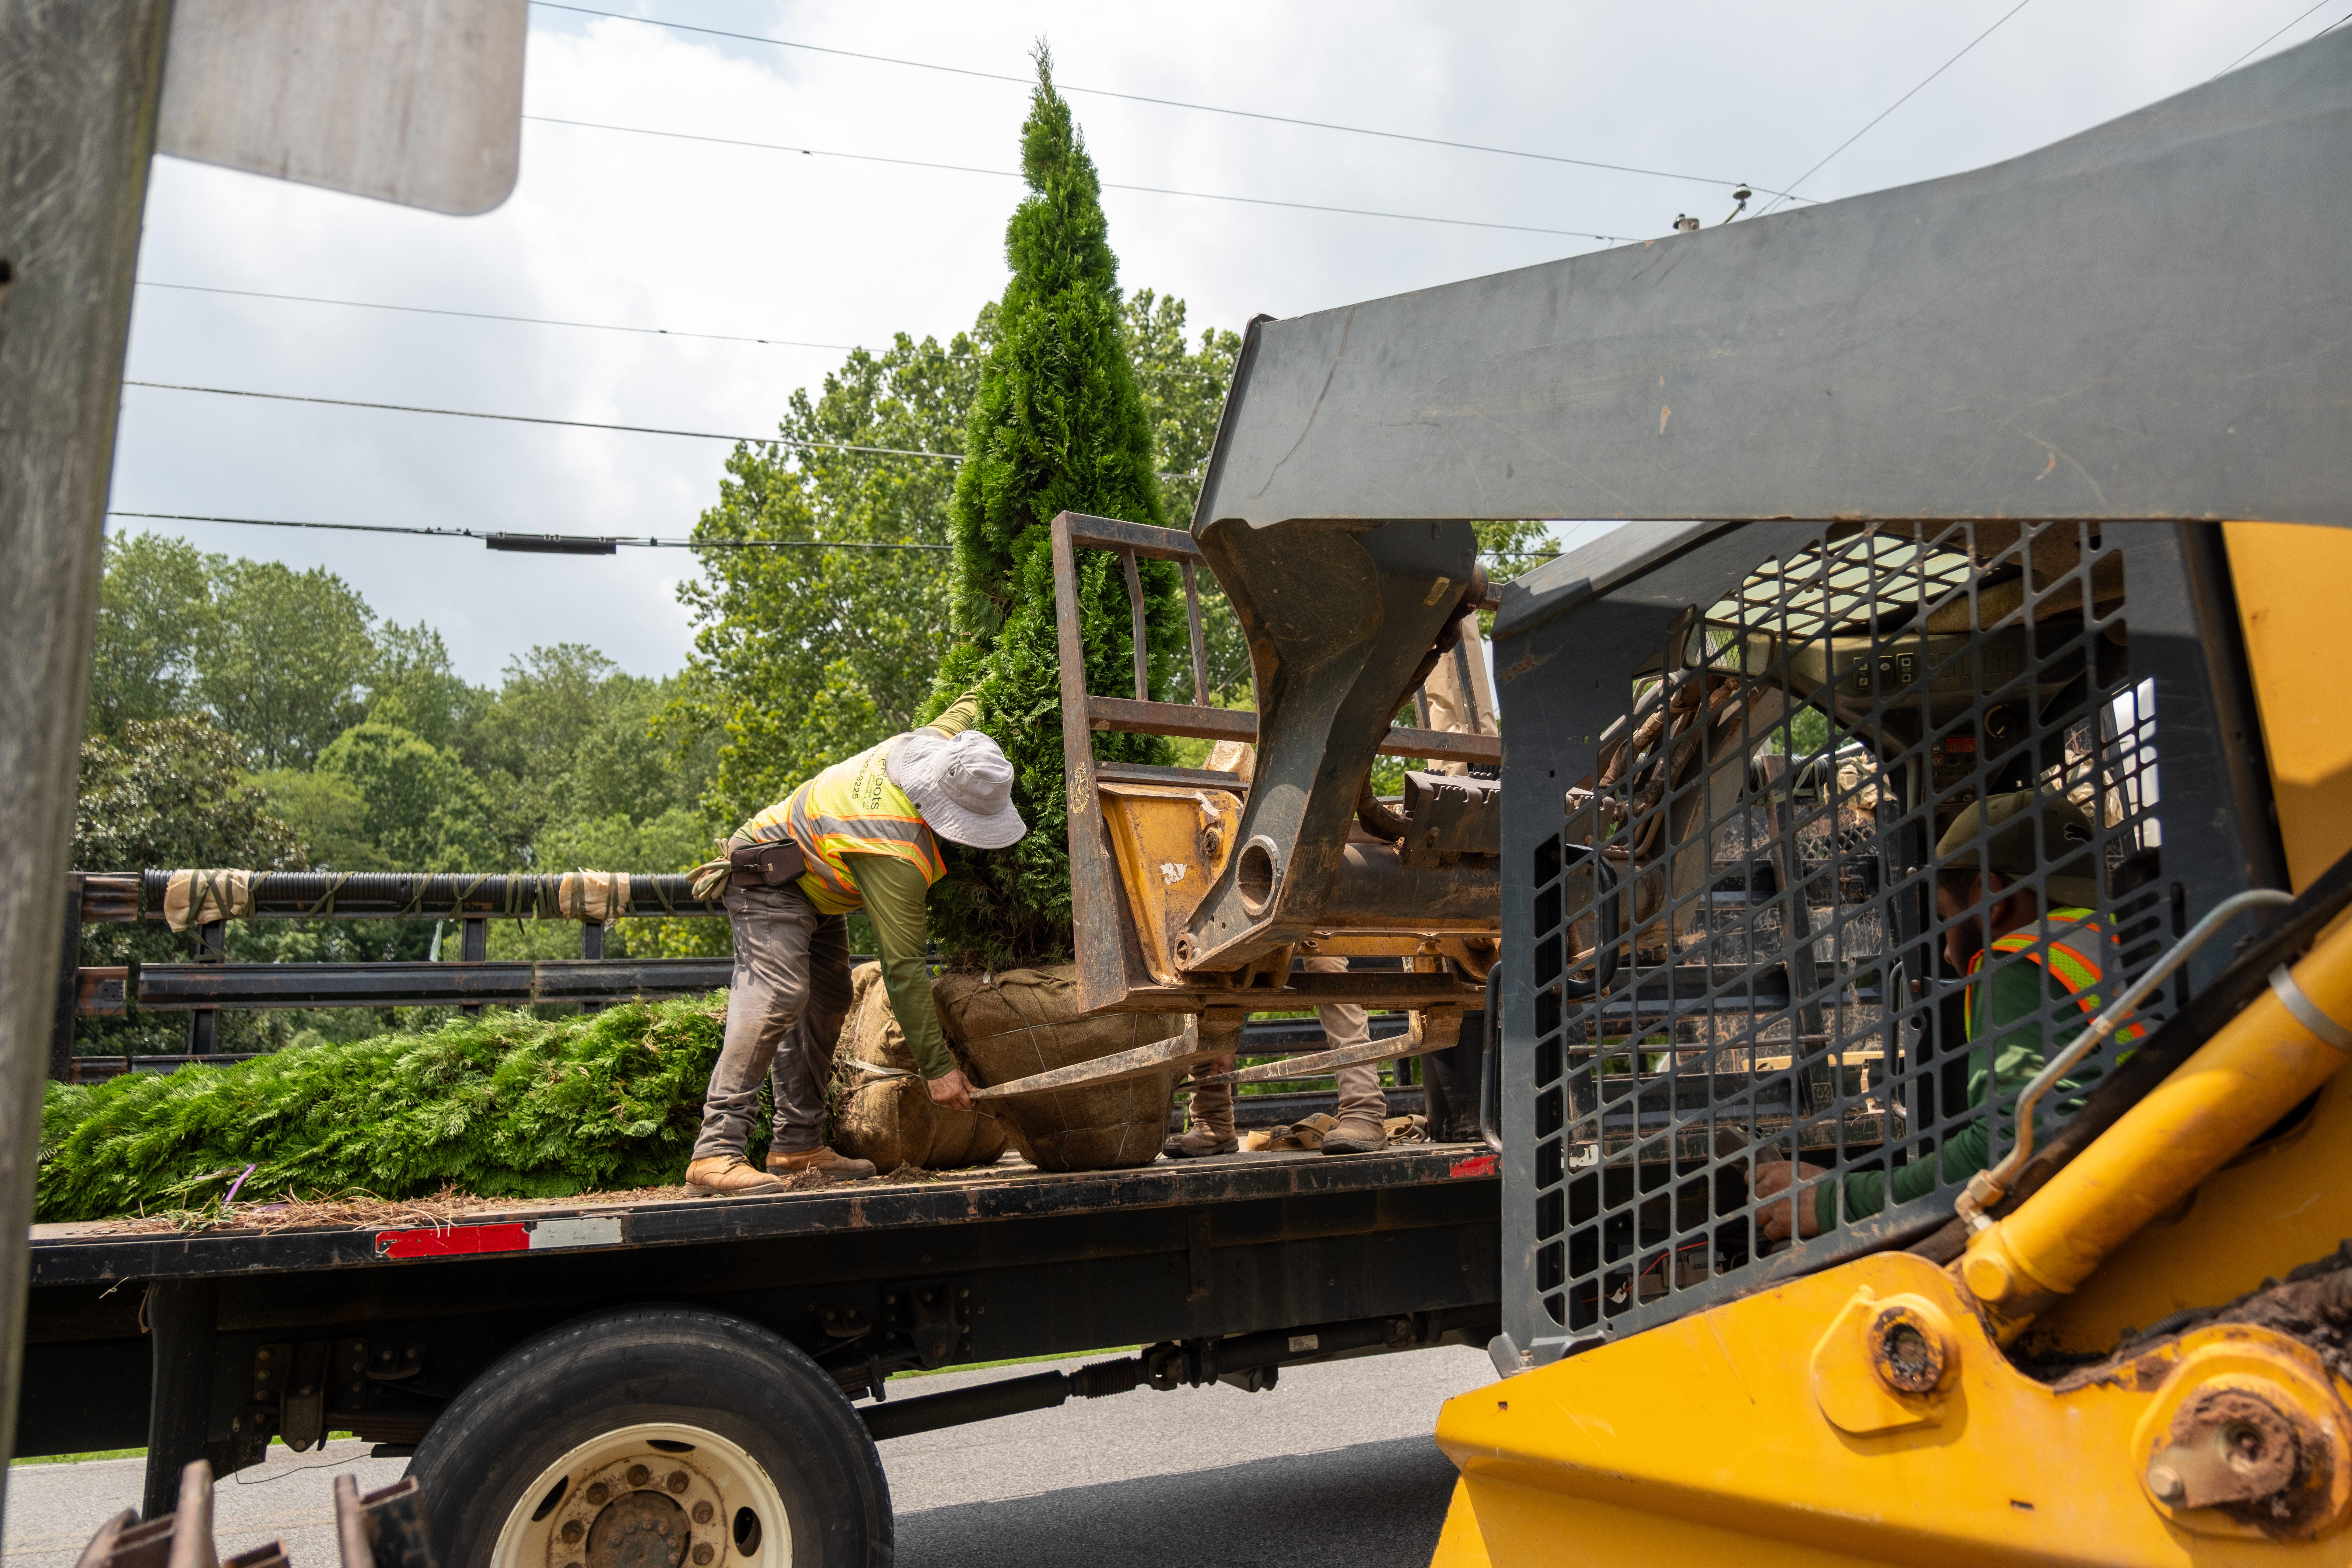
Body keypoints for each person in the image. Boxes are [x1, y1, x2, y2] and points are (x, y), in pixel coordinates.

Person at [1754, 790, 2143, 1241]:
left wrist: (1834, 1202)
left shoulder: (2026, 961)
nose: (1944, 948)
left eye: (1946, 916)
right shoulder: (2123, 939)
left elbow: (2009, 1149)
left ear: (1992, 898)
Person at [682, 692, 1024, 1196]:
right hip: (768, 876)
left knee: (828, 1000)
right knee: (778, 993)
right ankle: (714, 1151)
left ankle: (796, 1145)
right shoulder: (894, 848)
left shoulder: (938, 747)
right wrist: (937, 1069)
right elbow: (904, 969)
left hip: (815, 879)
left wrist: (999, 672)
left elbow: (970, 700)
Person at [1162, 942, 1389, 1158]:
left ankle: (1364, 1109)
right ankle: (1214, 1121)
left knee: (1326, 965)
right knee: (1208, 965)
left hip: (1316, 916)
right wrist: (1225, 1036)